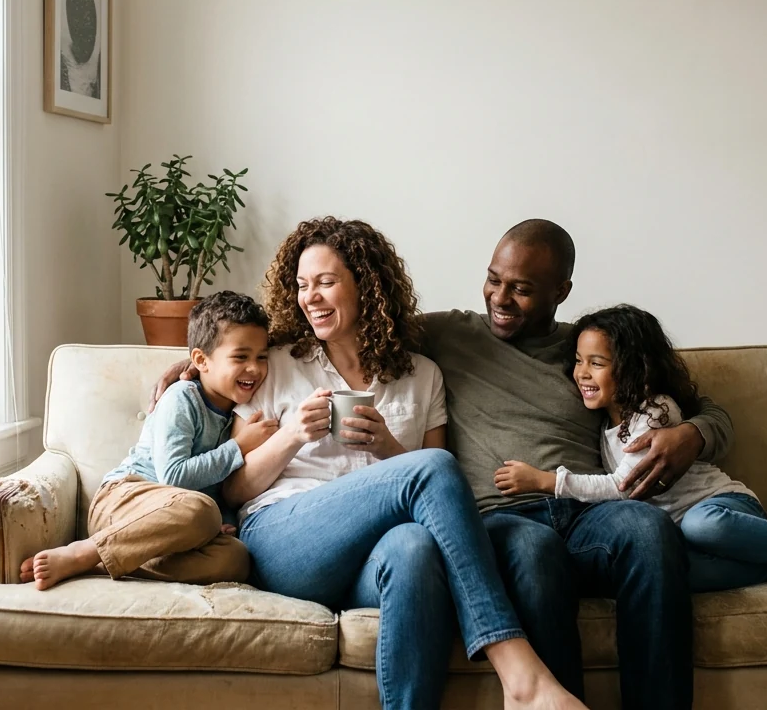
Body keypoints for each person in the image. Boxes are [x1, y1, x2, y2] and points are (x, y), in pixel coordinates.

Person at [226, 218, 585, 710]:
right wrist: (291, 435)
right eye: (303, 285)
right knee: (431, 466)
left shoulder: (423, 375)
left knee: (414, 547)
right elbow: (234, 489)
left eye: (326, 282)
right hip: (287, 541)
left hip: (373, 554)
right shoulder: (274, 364)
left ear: (366, 285)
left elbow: (436, 494)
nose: (311, 297)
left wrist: (388, 449)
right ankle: (518, 671)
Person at [419, 219, 735, 710]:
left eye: (522, 289)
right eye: (494, 280)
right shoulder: (450, 334)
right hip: (503, 519)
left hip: (589, 512)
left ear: (561, 292)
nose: (500, 298)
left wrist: (692, 434)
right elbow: (363, 325)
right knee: (536, 551)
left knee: (648, 528)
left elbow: (709, 410)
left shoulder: (588, 349)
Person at [493, 304, 767, 590]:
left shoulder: (655, 412)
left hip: (722, 511)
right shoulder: (604, 424)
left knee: (700, 524)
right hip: (677, 535)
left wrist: (546, 481)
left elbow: (622, 486)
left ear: (635, 368)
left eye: (596, 363)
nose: (582, 372)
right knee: (668, 571)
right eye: (579, 361)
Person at [19, 291, 277, 591]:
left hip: (168, 529)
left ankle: (102, 563)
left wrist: (225, 521)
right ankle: (83, 552)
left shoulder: (237, 411)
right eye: (240, 357)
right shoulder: (182, 398)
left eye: (261, 357)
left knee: (237, 559)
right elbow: (174, 476)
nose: (254, 368)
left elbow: (219, 486)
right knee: (202, 512)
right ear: (200, 360)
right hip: (123, 501)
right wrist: (239, 447)